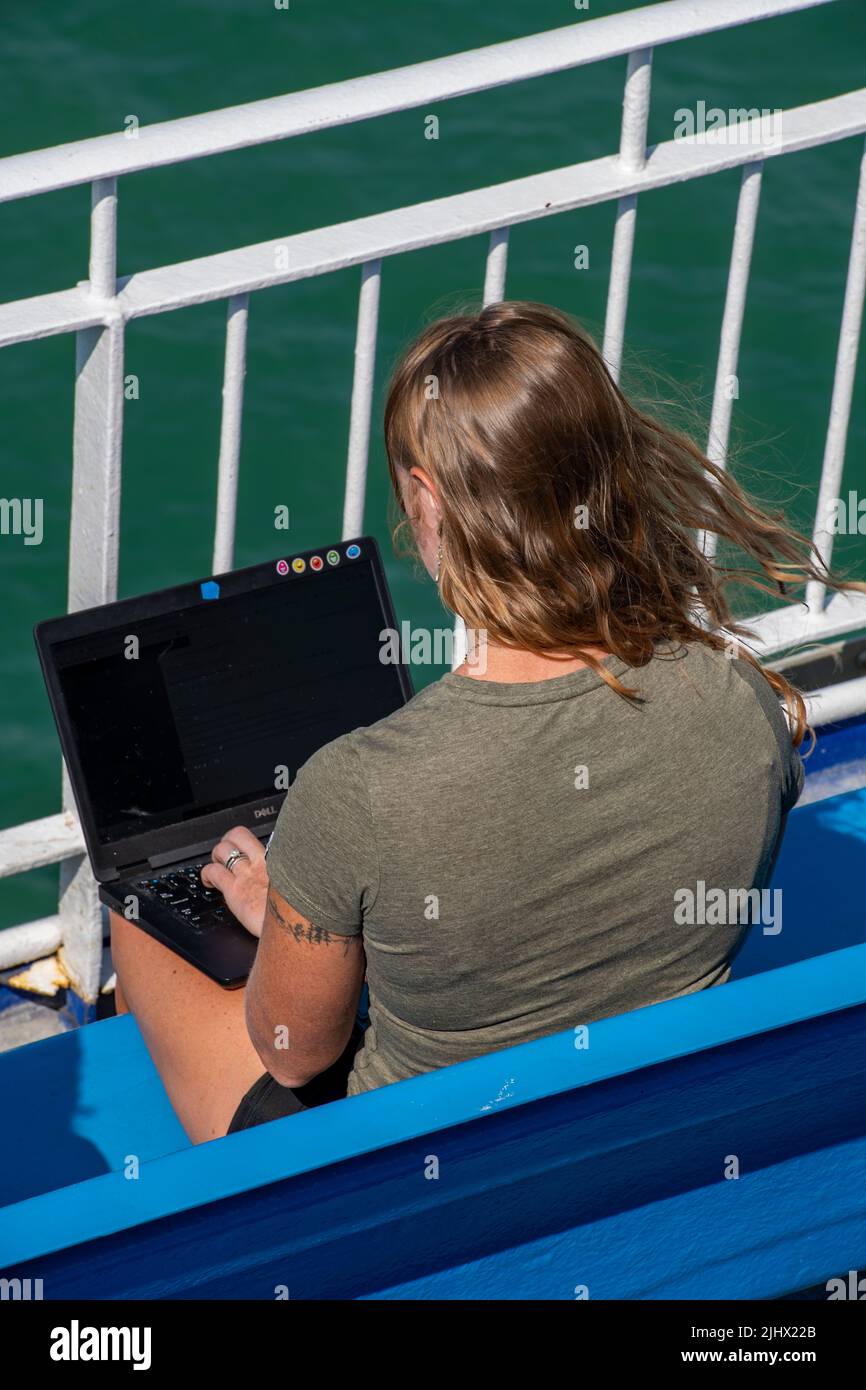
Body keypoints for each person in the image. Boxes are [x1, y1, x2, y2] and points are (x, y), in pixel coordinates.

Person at [111, 300, 854, 1144]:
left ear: (427, 501)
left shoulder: (357, 788)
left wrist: (295, 911)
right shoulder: (742, 704)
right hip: (657, 1130)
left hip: (420, 1180)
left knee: (138, 922)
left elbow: (293, 1055)